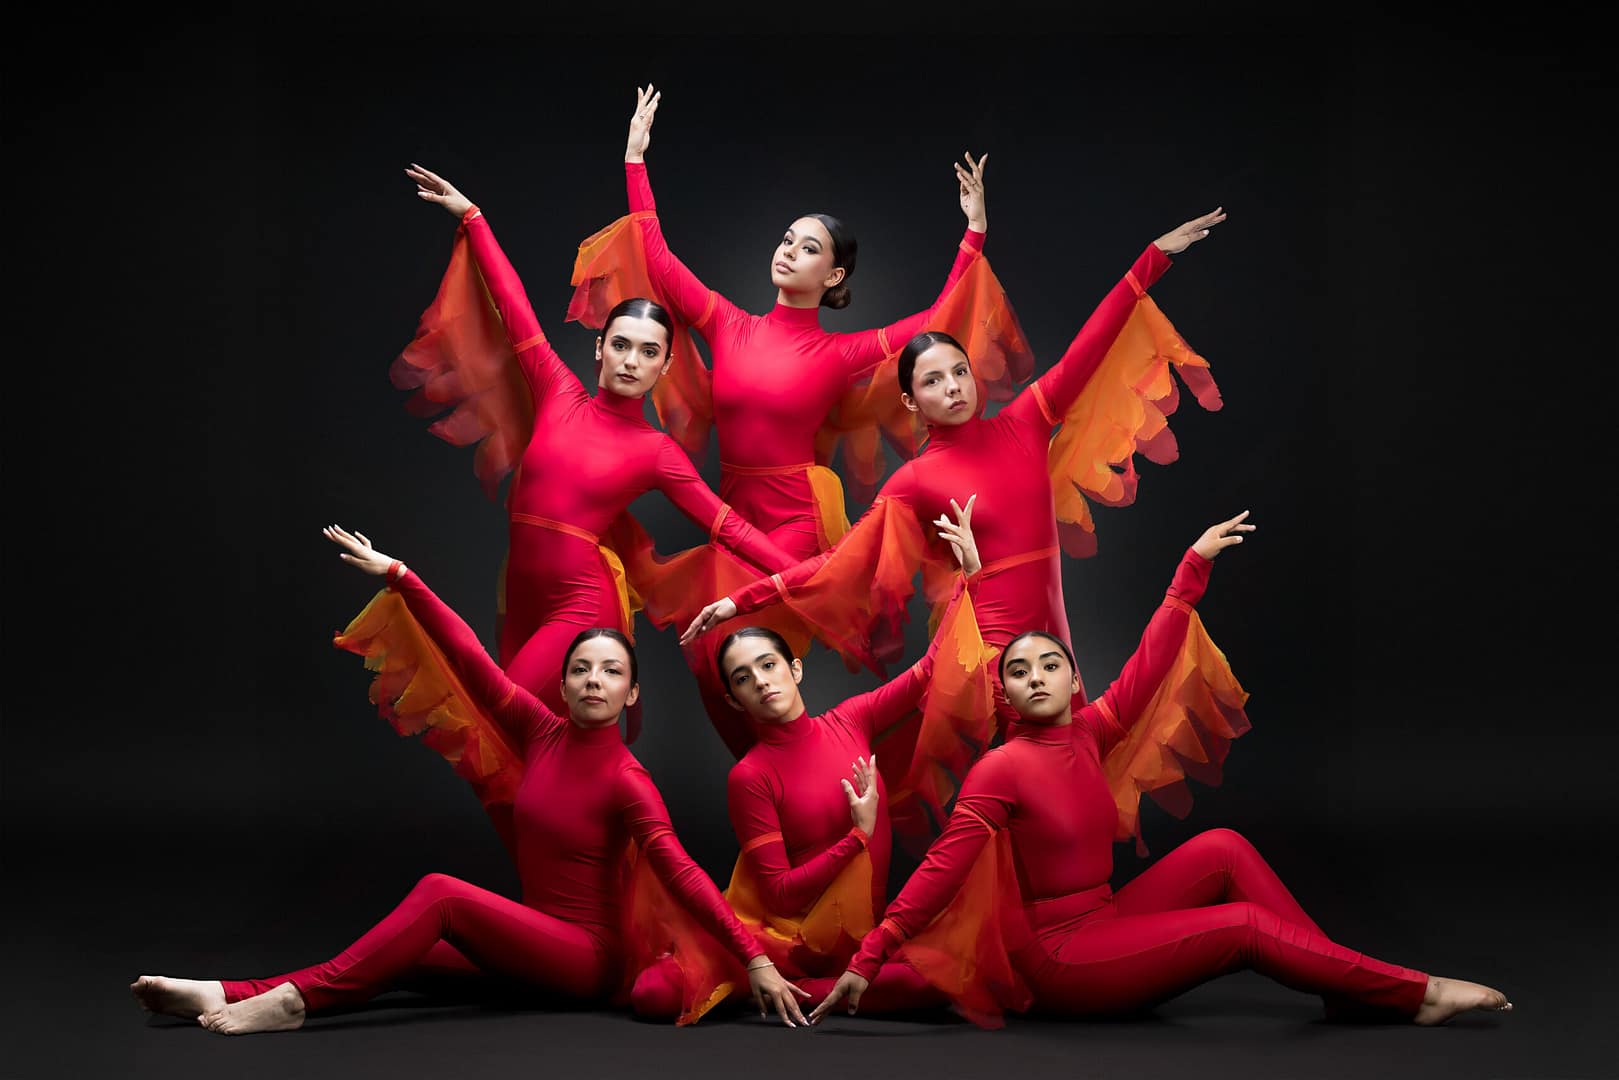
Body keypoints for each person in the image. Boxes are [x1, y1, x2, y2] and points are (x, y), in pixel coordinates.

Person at [808, 512, 1513, 1029]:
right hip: (1060, 962)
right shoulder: (1001, 768)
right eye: (1019, 672)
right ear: (1005, 693)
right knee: (1238, 926)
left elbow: (1149, 661)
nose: (1037, 676)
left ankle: (1339, 984)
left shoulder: (1088, 732)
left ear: (1071, 677)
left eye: (1051, 663)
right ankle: (1409, 993)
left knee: (1222, 848)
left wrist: (1190, 570)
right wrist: (871, 956)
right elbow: (938, 871)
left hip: (1102, 917)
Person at [679, 206, 1228, 845]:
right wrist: (734, 602)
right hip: (988, 646)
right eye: (933, 381)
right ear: (911, 401)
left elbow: (1089, 347)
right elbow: (837, 569)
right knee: (1016, 790)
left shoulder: (1025, 421)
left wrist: (1149, 261)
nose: (955, 387)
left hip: (1052, 633)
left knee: (1073, 782)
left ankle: (1046, 917)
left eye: (960, 372)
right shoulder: (913, 481)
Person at [129, 526, 812, 1034]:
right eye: (581, 669)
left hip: (584, 959)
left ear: (632, 695)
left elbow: (685, 875)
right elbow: (469, 657)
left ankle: (295, 1004)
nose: (593, 680)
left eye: (611, 672)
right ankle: (228, 990)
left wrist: (751, 959)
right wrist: (400, 574)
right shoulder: (537, 731)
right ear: (565, 684)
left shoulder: (628, 780)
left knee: (440, 896)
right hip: (531, 941)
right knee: (404, 956)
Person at [565, 85, 1034, 760]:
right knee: (711, 659)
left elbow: (936, 318)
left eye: (807, 247)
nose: (787, 250)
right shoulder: (729, 324)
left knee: (757, 659)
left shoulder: (839, 352)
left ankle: (819, 771)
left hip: (792, 518)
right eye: (786, 239)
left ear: (833, 272)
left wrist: (974, 233)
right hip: (732, 511)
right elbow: (660, 265)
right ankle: (774, 773)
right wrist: (635, 161)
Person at [393, 165, 797, 755]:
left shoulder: (655, 452)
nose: (633, 360)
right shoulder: (558, 391)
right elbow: (514, 309)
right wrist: (474, 220)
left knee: (501, 721)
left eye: (650, 352)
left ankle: (620, 843)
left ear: (663, 368)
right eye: (622, 345)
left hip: (578, 604)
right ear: (599, 348)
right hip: (525, 594)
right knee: (537, 751)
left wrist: (806, 572)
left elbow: (727, 527)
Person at [631, 496, 985, 1021]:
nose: (761, 682)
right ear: (733, 699)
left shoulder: (850, 720)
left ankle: (815, 990)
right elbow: (778, 894)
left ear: (794, 670)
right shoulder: (749, 776)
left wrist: (970, 580)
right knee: (654, 994)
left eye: (768, 665)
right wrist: (857, 838)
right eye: (743, 679)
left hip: (857, 932)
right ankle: (795, 985)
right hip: (787, 939)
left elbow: (929, 673)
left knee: (947, 977)